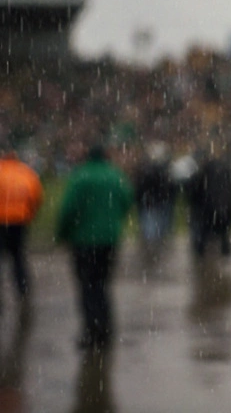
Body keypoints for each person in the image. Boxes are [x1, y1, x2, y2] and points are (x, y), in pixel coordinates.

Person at [55, 145, 133, 349]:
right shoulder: (115, 175)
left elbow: (68, 209)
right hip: (110, 240)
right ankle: (106, 329)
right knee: (103, 284)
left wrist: (62, 234)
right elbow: (127, 200)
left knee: (88, 287)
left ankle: (92, 331)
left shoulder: (81, 176)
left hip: (84, 241)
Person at [0, 148, 43, 303]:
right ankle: (23, 290)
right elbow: (36, 197)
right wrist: (29, 215)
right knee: (18, 257)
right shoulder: (26, 173)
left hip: (2, 221)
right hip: (19, 221)